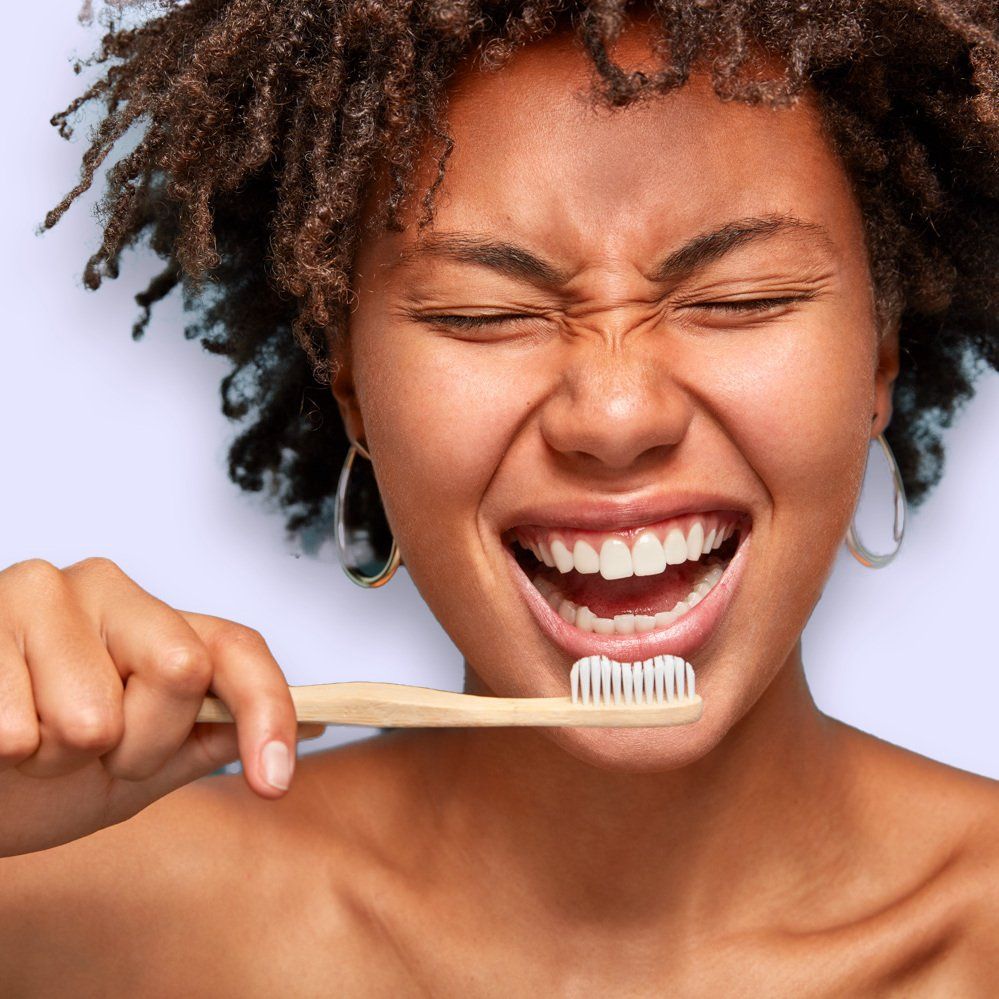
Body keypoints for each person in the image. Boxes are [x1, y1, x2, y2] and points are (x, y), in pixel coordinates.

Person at [2, 0, 997, 993]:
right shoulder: (85, 916)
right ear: (351, 387)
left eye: (741, 300)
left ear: (880, 358)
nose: (613, 413)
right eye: (483, 316)